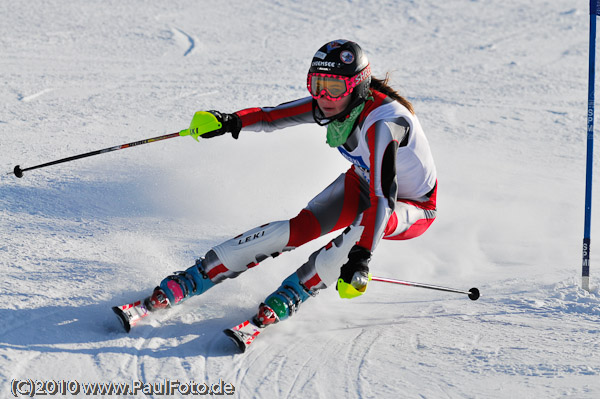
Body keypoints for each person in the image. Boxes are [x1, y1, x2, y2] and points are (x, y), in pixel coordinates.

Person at [143, 39, 437, 328]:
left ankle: (295, 291)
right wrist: (229, 121)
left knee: (362, 230)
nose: (324, 98)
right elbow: (270, 117)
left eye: (335, 88)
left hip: (412, 206)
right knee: (298, 229)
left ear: (358, 87)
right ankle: (195, 277)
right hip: (364, 181)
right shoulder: (333, 105)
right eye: (317, 86)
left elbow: (384, 197)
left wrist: (360, 258)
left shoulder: (385, 124)